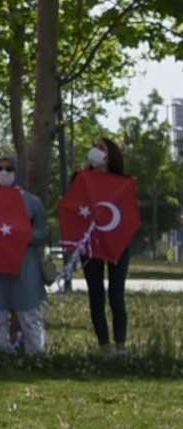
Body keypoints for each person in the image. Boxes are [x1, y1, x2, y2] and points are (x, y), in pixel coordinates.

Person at [0, 153, 47, 355]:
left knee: (28, 311)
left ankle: (36, 353)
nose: (3, 173)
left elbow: (42, 232)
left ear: (17, 172)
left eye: (8, 169)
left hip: (23, 263)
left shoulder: (32, 202)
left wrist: (20, 236)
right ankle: (0, 352)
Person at [73, 134, 131, 356]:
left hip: (118, 243)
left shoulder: (122, 182)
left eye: (101, 148)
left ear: (110, 156)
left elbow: (128, 214)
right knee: (96, 293)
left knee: (116, 294)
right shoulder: (81, 178)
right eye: (95, 146)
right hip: (90, 243)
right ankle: (104, 346)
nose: (95, 151)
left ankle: (121, 345)